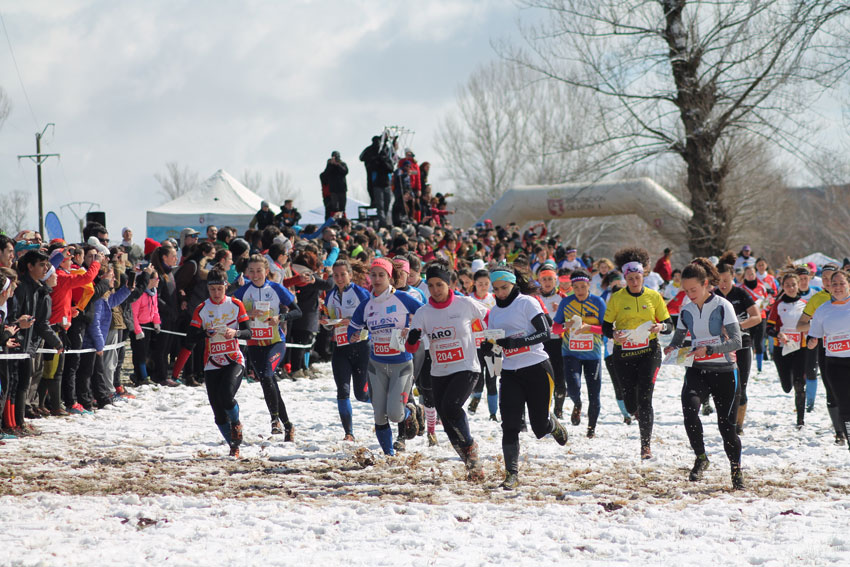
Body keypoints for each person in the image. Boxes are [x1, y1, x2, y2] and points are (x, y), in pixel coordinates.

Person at [481, 266, 569, 490]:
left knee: (539, 428)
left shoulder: (526, 303)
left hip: (537, 368)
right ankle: (511, 474)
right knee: (509, 425)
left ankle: (552, 425)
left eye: (504, 287)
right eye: (497, 289)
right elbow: (495, 343)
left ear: (513, 285)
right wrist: (488, 349)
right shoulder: (495, 313)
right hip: (510, 373)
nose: (500, 293)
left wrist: (518, 342)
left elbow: (545, 332)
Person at [664, 258, 744, 490]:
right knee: (689, 411)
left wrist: (710, 349)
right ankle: (701, 458)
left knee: (726, 426)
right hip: (697, 370)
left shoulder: (722, 306)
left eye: (693, 290)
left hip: (725, 371)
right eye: (686, 290)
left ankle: (736, 469)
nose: (689, 294)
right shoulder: (685, 309)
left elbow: (737, 342)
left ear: (706, 284)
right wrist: (672, 347)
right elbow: (679, 339)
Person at [406, 259, 489, 480]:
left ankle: (471, 447)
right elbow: (410, 347)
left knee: (451, 408)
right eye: (431, 285)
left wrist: (496, 336)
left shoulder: (464, 304)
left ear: (449, 284)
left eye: (439, 285)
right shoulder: (424, 312)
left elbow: (489, 317)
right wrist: (412, 337)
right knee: (447, 419)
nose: (435, 290)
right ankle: (472, 465)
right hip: (439, 371)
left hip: (466, 367)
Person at [602, 247, 673, 460]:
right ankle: (636, 413)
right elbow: (605, 326)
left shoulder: (654, 297)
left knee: (645, 397)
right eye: (630, 278)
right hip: (624, 354)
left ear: (643, 276)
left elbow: (669, 324)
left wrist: (660, 328)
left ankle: (646, 446)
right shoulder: (617, 298)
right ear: (625, 278)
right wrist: (614, 334)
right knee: (631, 401)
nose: (634, 281)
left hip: (649, 352)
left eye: (638, 277)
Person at [347, 258, 423, 456]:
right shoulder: (366, 305)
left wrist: (413, 329)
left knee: (396, 414)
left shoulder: (403, 299)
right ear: (369, 278)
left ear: (390, 277)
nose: (377, 279)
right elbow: (352, 328)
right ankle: (389, 455)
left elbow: (425, 314)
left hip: (402, 364)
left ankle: (412, 412)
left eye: (382, 275)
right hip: (376, 365)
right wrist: (353, 336)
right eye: (374, 275)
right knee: (379, 415)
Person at [171, 268, 251, 457]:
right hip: (212, 362)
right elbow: (190, 337)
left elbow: (249, 332)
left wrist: (236, 333)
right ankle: (233, 445)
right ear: (208, 289)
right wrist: (205, 333)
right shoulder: (202, 308)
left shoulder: (236, 305)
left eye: (220, 289)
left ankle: (236, 423)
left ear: (226, 287)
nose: (216, 293)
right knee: (218, 412)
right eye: (212, 289)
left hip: (234, 359)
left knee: (226, 395)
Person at [551, 269, 607, 438]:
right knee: (573, 386)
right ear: (572, 287)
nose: (580, 291)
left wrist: (589, 328)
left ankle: (591, 428)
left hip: (593, 355)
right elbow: (555, 328)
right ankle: (577, 403)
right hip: (570, 353)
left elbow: (607, 329)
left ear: (589, 285)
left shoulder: (598, 302)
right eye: (576, 287)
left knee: (594, 392)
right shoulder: (566, 302)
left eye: (583, 287)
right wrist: (566, 326)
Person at [796, 263, 845, 442]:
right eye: (823, 278)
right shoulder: (818, 300)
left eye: (830, 278)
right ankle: (839, 432)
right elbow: (800, 325)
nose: (827, 282)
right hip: (826, 350)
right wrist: (818, 329)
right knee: (832, 390)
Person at [323, 259, 371, 440]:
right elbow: (330, 321)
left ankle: (397, 410)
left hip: (361, 347)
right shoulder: (330, 295)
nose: (339, 278)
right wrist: (326, 323)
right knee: (342, 390)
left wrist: (351, 321)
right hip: (341, 347)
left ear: (350, 275)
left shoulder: (361, 293)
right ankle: (348, 433)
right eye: (336, 275)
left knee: (361, 394)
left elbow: (371, 317)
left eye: (343, 274)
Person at [715, 261, 762, 434]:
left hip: (742, 344)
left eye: (726, 279)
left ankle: (738, 425)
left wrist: (739, 326)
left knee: (740, 386)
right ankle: (727, 420)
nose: (723, 284)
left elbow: (756, 317)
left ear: (733, 277)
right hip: (721, 347)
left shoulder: (741, 293)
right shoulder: (713, 296)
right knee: (725, 387)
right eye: (719, 280)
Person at [806, 269, 850, 452]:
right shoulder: (823, 310)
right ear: (829, 287)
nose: (838, 287)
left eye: (842, 283)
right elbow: (811, 338)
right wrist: (812, 342)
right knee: (845, 406)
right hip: (835, 364)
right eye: (835, 284)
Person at [767, 272, 810, 428]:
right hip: (782, 349)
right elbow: (769, 328)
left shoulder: (805, 304)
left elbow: (813, 326)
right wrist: (778, 334)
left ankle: (800, 420)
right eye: (787, 285)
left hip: (801, 349)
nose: (791, 288)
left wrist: (809, 334)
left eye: (793, 285)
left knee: (800, 384)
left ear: (798, 285)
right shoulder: (778, 305)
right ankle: (788, 379)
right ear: (782, 287)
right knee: (787, 387)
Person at [321, 151, 349, 219]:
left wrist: (337, 164)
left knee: (342, 207)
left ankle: (343, 220)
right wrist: (330, 165)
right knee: (334, 208)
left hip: (342, 189)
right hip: (333, 190)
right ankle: (334, 220)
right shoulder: (330, 166)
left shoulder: (342, 164)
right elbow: (325, 174)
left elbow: (345, 171)